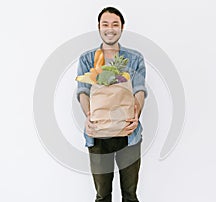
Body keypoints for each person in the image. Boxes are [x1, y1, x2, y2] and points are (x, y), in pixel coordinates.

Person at [76, 6, 147, 202]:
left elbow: (139, 89)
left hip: (129, 134)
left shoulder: (134, 58)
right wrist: (89, 117)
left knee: (130, 195)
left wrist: (136, 115)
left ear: (122, 28)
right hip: (97, 134)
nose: (110, 29)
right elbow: (82, 91)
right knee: (102, 195)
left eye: (115, 24)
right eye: (105, 24)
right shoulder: (87, 59)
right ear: (99, 27)